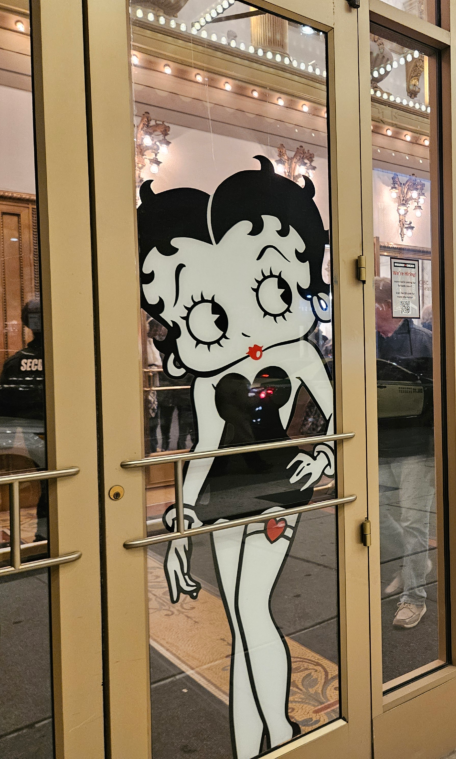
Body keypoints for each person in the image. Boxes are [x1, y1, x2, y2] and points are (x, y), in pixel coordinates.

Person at [138, 158, 335, 755]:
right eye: (202, 310)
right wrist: (181, 529)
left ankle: (268, 735)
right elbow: (203, 447)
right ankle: (263, 735)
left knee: (251, 610)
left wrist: (323, 459)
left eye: (271, 288)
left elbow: (331, 417)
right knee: (245, 616)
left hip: (279, 488)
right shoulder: (209, 377)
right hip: (223, 496)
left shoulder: (298, 355)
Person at [374, 277, 435, 630]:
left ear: (383, 307)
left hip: (415, 447)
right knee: (374, 514)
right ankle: (417, 562)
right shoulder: (363, 341)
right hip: (379, 445)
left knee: (414, 521)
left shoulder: (423, 342)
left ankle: (414, 598)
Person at [0, 298, 48, 543]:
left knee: (44, 481)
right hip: (66, 431)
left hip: (32, 434)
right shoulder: (67, 356)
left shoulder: (17, 362)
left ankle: (46, 535)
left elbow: (3, 407)